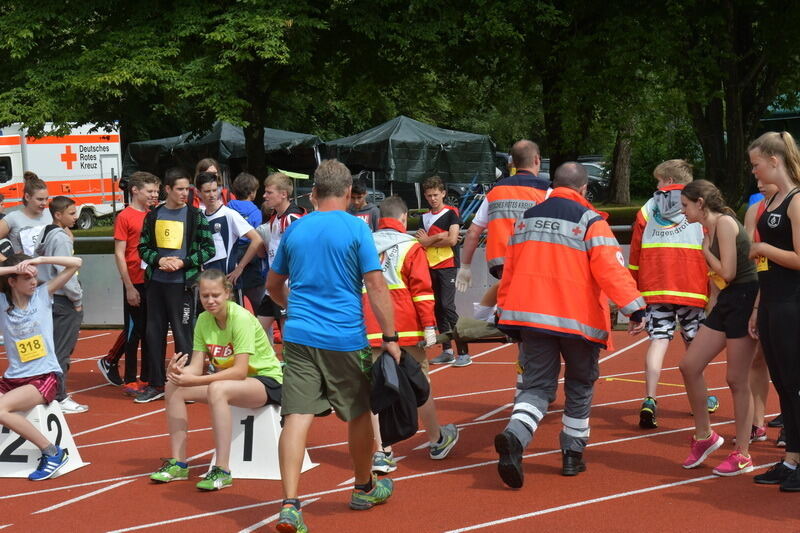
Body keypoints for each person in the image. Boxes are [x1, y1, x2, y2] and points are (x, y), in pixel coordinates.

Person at [266, 159, 399, 532]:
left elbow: (273, 286)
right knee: (358, 413)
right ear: (346, 193)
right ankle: (362, 487)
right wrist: (390, 338)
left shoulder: (295, 230)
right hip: (344, 337)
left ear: (314, 193)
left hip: (300, 336)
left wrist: (293, 308)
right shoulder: (357, 229)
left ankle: (290, 504)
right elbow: (375, 286)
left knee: (295, 417)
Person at [493, 162, 645, 488]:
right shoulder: (592, 222)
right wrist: (636, 309)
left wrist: (504, 311)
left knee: (536, 388)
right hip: (578, 321)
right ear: (584, 189)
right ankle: (572, 457)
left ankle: (516, 435)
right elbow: (611, 272)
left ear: (553, 185)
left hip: (531, 317)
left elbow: (510, 270)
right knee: (579, 384)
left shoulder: (525, 220)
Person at [148, 269, 282, 491]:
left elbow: (239, 372)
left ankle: (222, 469)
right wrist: (179, 374)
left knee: (217, 389)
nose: (209, 301)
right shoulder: (203, 319)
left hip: (265, 381)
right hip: (235, 384)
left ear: (227, 293)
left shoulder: (240, 318)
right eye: (204, 295)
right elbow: (196, 366)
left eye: (215, 295)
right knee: (174, 386)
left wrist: (197, 381)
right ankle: (179, 463)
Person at [363, 195, 459, 474]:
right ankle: (436, 440)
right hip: (405, 324)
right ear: (404, 218)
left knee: (376, 387)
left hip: (370, 325)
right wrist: (430, 326)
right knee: (420, 382)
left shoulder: (363, 245)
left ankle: (382, 452)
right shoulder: (411, 246)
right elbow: (422, 290)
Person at [677, 180, 758, 476]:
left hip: (746, 299)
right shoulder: (709, 228)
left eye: (685, 205)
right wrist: (712, 304)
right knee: (689, 365)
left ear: (700, 203)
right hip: (728, 300)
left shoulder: (723, 223)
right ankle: (704, 436)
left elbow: (728, 271)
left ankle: (743, 454)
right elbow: (719, 280)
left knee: (736, 380)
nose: (682, 211)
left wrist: (703, 251)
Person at [628, 160, 711, 429]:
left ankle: (650, 398)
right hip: (692, 284)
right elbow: (710, 241)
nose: (656, 185)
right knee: (694, 343)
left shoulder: (646, 209)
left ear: (666, 180)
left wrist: (633, 293)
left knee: (659, 340)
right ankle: (702, 396)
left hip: (655, 285)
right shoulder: (699, 204)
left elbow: (635, 253)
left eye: (658, 180)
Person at [746, 131, 800, 491]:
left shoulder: (796, 200)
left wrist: (762, 245)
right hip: (771, 302)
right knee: (783, 383)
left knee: (796, 384)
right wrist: (757, 306)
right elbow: (765, 264)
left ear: (775, 161)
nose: (753, 171)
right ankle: (792, 459)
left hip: (793, 305)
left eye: (756, 164)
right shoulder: (775, 200)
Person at [0, 253, 82, 480]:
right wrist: (13, 268)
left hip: (44, 377)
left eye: (34, 276)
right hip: (12, 378)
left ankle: (52, 452)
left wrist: (39, 261)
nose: (33, 281)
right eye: (26, 277)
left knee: (0, 409)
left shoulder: (43, 295)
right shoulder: (2, 303)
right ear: (12, 281)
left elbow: (77, 263)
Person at [136, 168, 215, 403]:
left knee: (183, 335)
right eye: (179, 189)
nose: (184, 193)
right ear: (167, 189)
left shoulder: (195, 215)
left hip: (183, 286)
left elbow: (209, 249)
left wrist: (183, 262)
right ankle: (156, 384)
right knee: (154, 334)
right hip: (157, 284)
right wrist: (159, 260)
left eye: (186, 189)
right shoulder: (153, 215)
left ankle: (186, 384)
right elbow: (143, 247)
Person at [98, 171, 161, 396]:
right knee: (134, 332)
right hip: (134, 280)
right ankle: (130, 379)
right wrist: (129, 287)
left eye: (156, 191)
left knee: (149, 331)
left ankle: (146, 378)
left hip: (153, 280)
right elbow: (119, 253)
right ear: (135, 190)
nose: (155, 195)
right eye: (150, 191)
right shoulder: (125, 216)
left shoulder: (155, 214)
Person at [34, 196, 86, 414]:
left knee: (52, 348)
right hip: (64, 300)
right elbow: (66, 272)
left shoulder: (46, 232)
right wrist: (77, 299)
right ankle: (59, 397)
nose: (76, 217)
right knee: (62, 350)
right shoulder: (61, 238)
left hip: (49, 298)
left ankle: (49, 392)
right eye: (72, 213)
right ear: (58, 215)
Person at [742, 178, 778, 445]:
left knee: (789, 363)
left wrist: (765, 249)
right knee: (758, 358)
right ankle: (758, 422)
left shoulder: (795, 205)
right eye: (754, 172)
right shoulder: (755, 210)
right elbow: (747, 254)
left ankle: (792, 422)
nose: (758, 181)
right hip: (762, 289)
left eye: (761, 171)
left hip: (788, 291)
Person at [416, 176, 462, 365]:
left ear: (443, 193)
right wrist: (438, 237)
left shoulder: (452, 212)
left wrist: (430, 240)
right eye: (429, 196)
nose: (433, 198)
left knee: (447, 306)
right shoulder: (424, 217)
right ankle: (447, 350)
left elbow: (452, 240)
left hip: (448, 264)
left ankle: (464, 350)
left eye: (436, 195)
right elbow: (421, 241)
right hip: (430, 265)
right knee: (437, 308)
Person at [255, 172, 304, 343]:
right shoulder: (275, 219)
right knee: (257, 331)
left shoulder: (293, 218)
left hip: (287, 287)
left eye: (269, 192)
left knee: (288, 336)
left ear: (283, 194)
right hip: (274, 287)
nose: (264, 196)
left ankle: (292, 368)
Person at [196, 172, 263, 287]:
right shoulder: (199, 216)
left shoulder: (229, 214)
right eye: (207, 191)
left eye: (214, 190)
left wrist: (240, 268)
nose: (212, 195)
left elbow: (257, 239)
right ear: (198, 193)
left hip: (228, 282)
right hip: (207, 283)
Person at [227, 172, 265, 310]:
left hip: (232, 258)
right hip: (251, 260)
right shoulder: (256, 212)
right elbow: (258, 235)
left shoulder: (227, 208)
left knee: (235, 305)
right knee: (259, 305)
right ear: (252, 193)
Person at [0, 172, 52, 260]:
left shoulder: (51, 214)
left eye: (46, 199)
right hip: (26, 272)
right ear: (27, 197)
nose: (44, 203)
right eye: (39, 199)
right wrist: (8, 262)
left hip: (51, 271)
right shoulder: (13, 218)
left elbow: (68, 237)